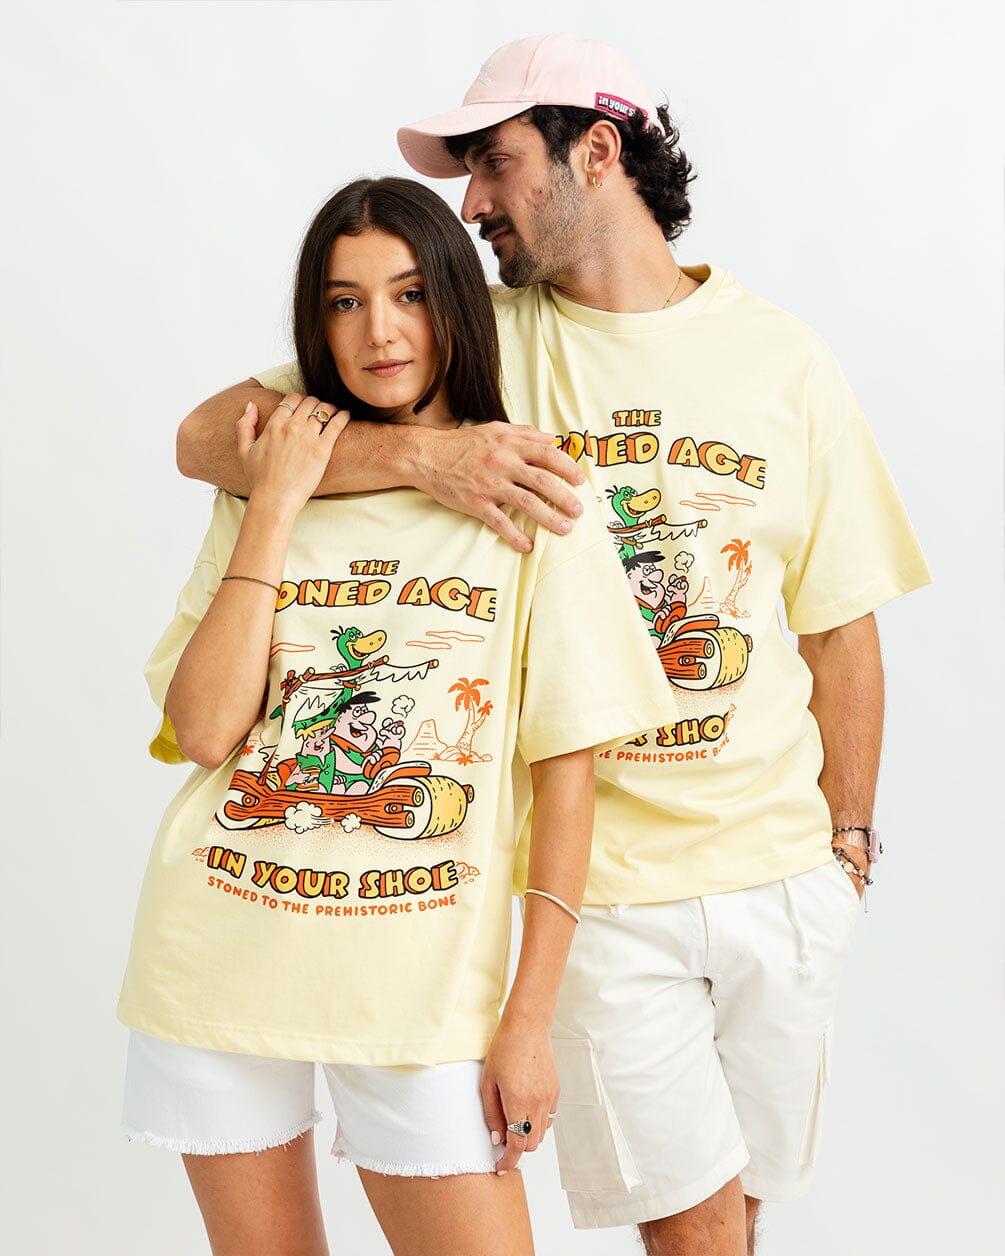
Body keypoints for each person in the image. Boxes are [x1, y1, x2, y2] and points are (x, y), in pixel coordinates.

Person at [174, 34, 933, 1256]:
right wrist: (432, 453)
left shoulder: (784, 358)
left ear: (597, 151)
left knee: (737, 1220)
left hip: (783, 876)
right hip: (604, 889)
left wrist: (846, 849)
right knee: (693, 1226)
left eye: (496, 162)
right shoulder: (478, 337)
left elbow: (841, 624)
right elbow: (212, 438)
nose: (472, 201)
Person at [117, 175, 676, 1256]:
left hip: (425, 995)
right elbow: (208, 731)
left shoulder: (533, 498)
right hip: (220, 953)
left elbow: (567, 787)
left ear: (455, 301)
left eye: (410, 293)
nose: (379, 330)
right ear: (316, 325)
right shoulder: (269, 484)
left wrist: (528, 1019)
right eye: (345, 301)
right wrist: (276, 501)